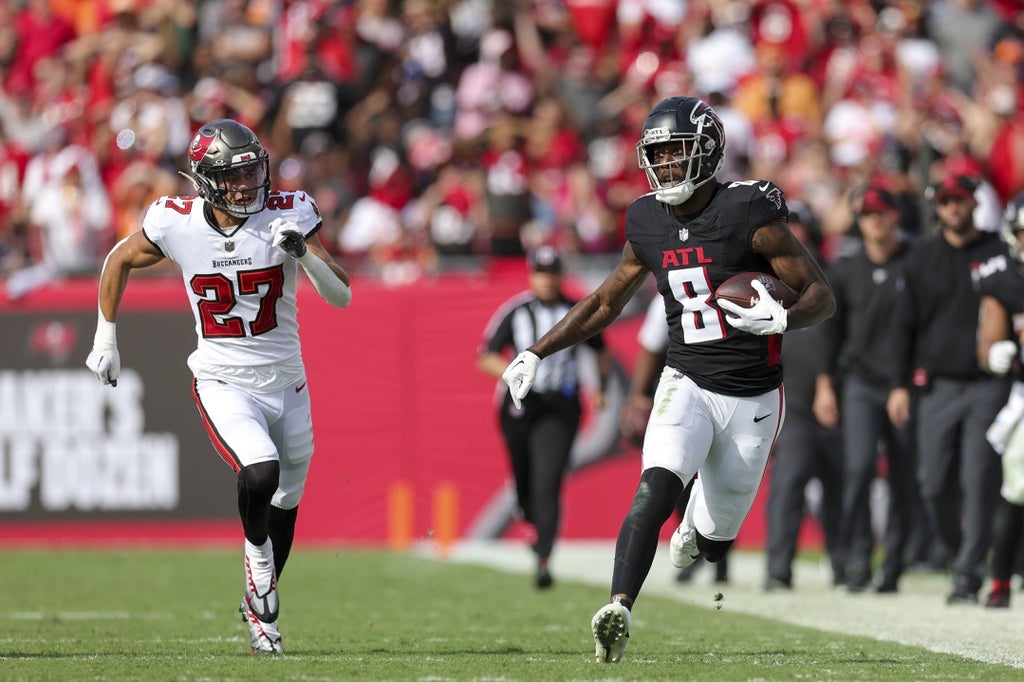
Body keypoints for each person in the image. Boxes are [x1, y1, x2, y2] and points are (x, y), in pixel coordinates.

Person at [500, 95, 835, 663]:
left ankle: (697, 532)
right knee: (656, 483)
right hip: (687, 381)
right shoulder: (647, 219)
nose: (667, 167)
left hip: (754, 395)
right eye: (658, 155)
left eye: (678, 154)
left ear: (707, 153)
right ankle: (619, 608)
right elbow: (607, 301)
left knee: (713, 539)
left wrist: (783, 316)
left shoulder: (749, 211)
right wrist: (536, 349)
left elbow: (821, 295)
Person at [85, 119, 352, 654]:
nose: (249, 182)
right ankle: (259, 579)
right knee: (260, 469)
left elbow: (342, 294)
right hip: (223, 378)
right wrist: (106, 338)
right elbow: (118, 260)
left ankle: (263, 599)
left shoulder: (288, 212)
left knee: (288, 494)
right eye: (234, 175)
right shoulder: (176, 221)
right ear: (205, 179)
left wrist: (301, 253)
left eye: (253, 169)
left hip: (289, 381)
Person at [886, 172, 1009, 605]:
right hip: (936, 386)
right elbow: (903, 327)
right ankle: (962, 555)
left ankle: (968, 577)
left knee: (978, 481)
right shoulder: (921, 259)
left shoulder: (1001, 250)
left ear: (975, 202)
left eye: (959, 200)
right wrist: (899, 385)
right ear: (936, 207)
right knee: (933, 484)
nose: (952, 208)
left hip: (989, 385)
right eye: (945, 202)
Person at [477, 245, 612, 589]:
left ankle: (544, 557)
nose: (547, 281)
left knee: (547, 480)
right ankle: (528, 513)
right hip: (521, 404)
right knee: (524, 481)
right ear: (531, 275)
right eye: (541, 273)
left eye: (552, 274)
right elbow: (486, 355)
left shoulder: (576, 311)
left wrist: (601, 389)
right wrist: (514, 373)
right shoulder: (516, 311)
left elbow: (600, 351)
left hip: (560, 405)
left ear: (560, 276)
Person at [818, 184, 919, 593]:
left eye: (882, 212)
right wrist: (825, 384)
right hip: (860, 383)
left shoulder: (914, 263)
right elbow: (832, 334)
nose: (875, 220)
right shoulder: (845, 269)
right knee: (858, 470)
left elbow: (924, 329)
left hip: (905, 386)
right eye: (867, 214)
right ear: (858, 221)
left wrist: (907, 383)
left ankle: (893, 563)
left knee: (902, 477)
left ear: (896, 215)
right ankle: (857, 558)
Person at [620, 295, 729, 585]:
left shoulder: (735, 288)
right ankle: (696, 549)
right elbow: (652, 347)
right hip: (683, 391)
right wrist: (638, 396)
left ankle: (718, 554)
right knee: (676, 473)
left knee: (720, 476)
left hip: (728, 393)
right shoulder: (671, 293)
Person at [763, 203, 844, 591]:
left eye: (798, 231)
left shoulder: (833, 278)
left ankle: (847, 568)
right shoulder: (763, 282)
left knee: (840, 491)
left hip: (833, 402)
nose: (791, 239)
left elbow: (843, 338)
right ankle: (778, 570)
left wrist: (830, 381)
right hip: (791, 402)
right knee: (788, 488)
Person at [976, 191, 1024, 608]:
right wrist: (996, 353)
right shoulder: (1004, 277)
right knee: (1018, 488)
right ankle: (1001, 578)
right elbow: (987, 342)